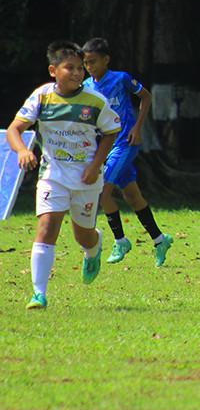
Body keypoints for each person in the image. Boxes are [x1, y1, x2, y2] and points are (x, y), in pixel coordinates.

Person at [6, 41, 121, 309]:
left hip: (86, 179)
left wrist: (95, 166)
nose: (78, 73)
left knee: (84, 235)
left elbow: (112, 132)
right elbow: (14, 129)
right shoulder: (42, 97)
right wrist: (23, 151)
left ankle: (94, 248)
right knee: (47, 229)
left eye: (81, 68)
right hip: (52, 175)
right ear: (53, 70)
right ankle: (38, 293)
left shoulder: (95, 101)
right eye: (70, 68)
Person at [82, 38, 173, 267]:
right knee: (132, 196)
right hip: (107, 147)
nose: (89, 66)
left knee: (102, 193)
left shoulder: (121, 79)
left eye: (93, 62)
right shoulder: (88, 87)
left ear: (106, 60)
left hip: (125, 143)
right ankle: (160, 240)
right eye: (86, 63)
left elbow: (146, 96)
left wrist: (137, 127)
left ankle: (120, 241)